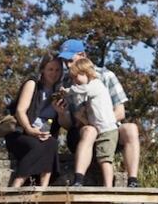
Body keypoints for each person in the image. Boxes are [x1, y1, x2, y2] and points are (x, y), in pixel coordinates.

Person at [60, 38, 142, 186]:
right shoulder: (66, 81)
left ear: (82, 55)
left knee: (131, 129)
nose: (68, 65)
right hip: (82, 133)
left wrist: (101, 124)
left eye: (70, 60)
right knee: (90, 131)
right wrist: (61, 113)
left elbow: (120, 112)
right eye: (65, 62)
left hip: (107, 128)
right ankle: (78, 180)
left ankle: (133, 181)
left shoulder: (105, 76)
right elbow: (68, 124)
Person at [5, 56, 64, 187]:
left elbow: (61, 122)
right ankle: (17, 183)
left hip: (44, 134)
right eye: (50, 69)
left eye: (57, 70)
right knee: (38, 146)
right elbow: (20, 111)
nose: (54, 73)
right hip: (21, 132)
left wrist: (60, 112)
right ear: (43, 69)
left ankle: (43, 187)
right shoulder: (33, 84)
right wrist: (30, 130)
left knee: (52, 143)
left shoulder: (59, 91)